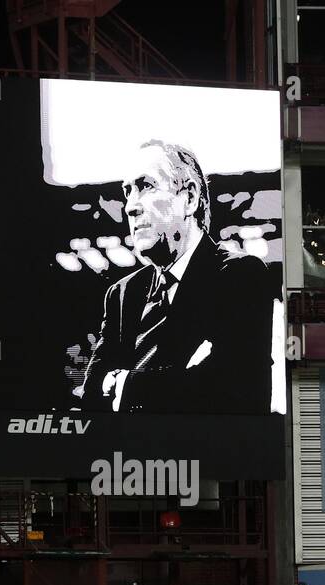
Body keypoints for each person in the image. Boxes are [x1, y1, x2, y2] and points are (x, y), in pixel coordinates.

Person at [75, 140, 278, 415]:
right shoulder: (121, 294)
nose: (130, 207)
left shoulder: (240, 276)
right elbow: (90, 396)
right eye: (127, 191)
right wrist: (183, 379)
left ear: (190, 198)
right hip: (123, 458)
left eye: (146, 186)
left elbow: (237, 392)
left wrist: (125, 383)